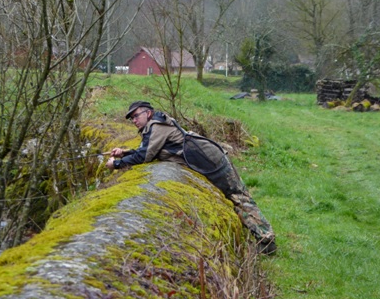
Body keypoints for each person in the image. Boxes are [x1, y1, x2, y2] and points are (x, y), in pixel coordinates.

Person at [106, 101, 276, 255]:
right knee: (236, 199)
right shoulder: (154, 126)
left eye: (136, 116)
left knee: (239, 198)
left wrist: (118, 164)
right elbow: (148, 150)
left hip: (211, 162)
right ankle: (263, 240)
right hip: (206, 161)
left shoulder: (157, 126)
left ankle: (267, 241)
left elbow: (145, 156)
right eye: (131, 118)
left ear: (148, 113)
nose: (134, 120)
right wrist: (124, 152)